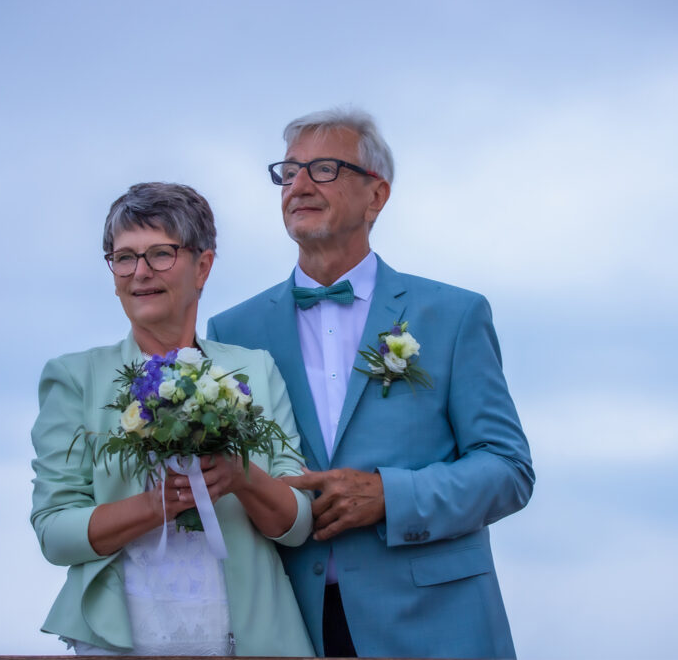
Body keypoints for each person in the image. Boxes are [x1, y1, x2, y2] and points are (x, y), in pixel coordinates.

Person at [207, 108, 535, 658]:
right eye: (288, 173)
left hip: (436, 625)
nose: (300, 186)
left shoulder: (453, 315)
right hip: (290, 627)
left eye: (325, 169)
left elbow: (508, 469)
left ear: (376, 195)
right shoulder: (231, 332)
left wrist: (390, 495)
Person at [30, 182, 314, 656]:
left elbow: (299, 521)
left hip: (253, 639)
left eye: (160, 254)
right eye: (124, 257)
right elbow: (55, 533)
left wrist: (240, 476)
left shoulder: (255, 371)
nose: (139, 273)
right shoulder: (74, 378)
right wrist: (157, 505)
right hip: (123, 640)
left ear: (202, 266)